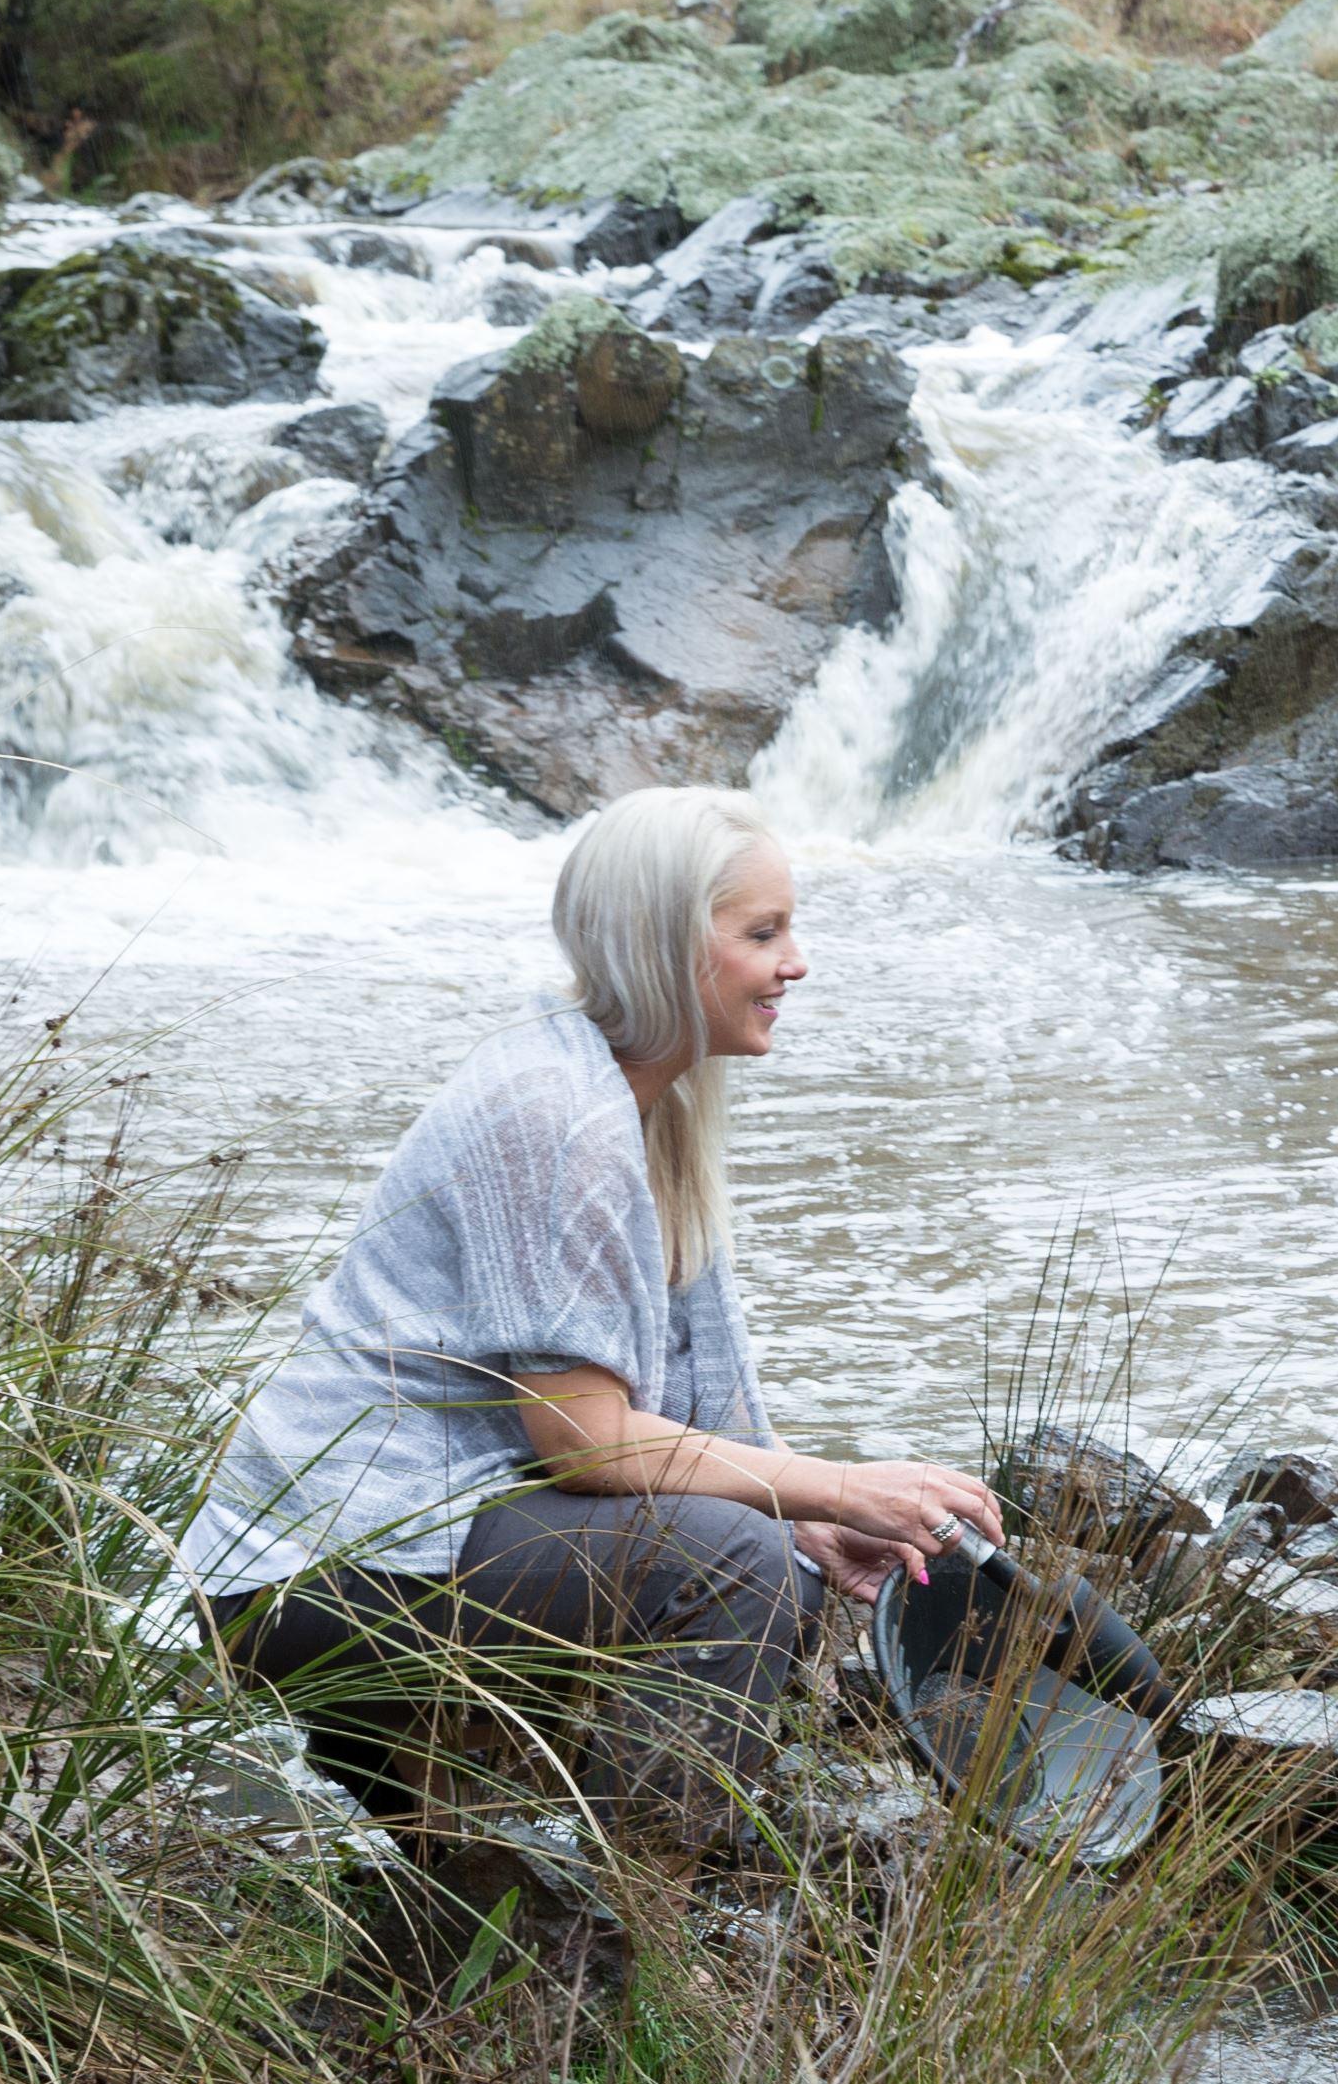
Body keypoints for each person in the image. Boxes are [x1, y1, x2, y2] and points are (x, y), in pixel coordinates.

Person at [163, 787, 1018, 1956]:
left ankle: (486, 1893)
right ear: (669, 947)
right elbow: (587, 1440)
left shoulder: (637, 1103)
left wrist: (814, 1517)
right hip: (320, 1573)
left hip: (402, 1546)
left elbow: (640, 1423)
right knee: (736, 1564)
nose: (797, 964)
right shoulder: (557, 1114)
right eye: (761, 934)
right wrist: (827, 1490)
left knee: (781, 1556)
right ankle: (634, 1936)